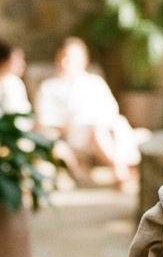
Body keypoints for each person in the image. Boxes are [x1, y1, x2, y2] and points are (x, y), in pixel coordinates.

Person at [35, 36, 141, 188]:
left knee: (108, 127)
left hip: (104, 130)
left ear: (83, 61)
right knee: (95, 131)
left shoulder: (95, 82)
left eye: (70, 58)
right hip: (74, 135)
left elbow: (111, 109)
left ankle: (121, 171)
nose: (65, 62)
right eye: (62, 57)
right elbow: (46, 122)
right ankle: (121, 172)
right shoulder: (49, 87)